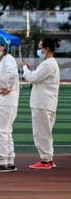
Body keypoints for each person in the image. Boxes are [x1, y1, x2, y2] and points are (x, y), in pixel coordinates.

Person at [22, 38, 61, 170]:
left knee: (41, 133)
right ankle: (48, 159)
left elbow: (32, 78)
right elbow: (37, 77)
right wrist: (31, 71)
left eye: (40, 47)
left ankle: (45, 160)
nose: (39, 50)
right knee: (45, 132)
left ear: (47, 48)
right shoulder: (49, 63)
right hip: (46, 102)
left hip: (42, 103)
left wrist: (24, 68)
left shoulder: (48, 64)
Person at [0, 34, 20, 173]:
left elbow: (13, 74)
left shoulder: (8, 59)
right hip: (2, 101)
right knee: (6, 132)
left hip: (4, 101)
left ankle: (3, 161)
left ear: (3, 46)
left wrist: (9, 87)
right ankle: (9, 161)